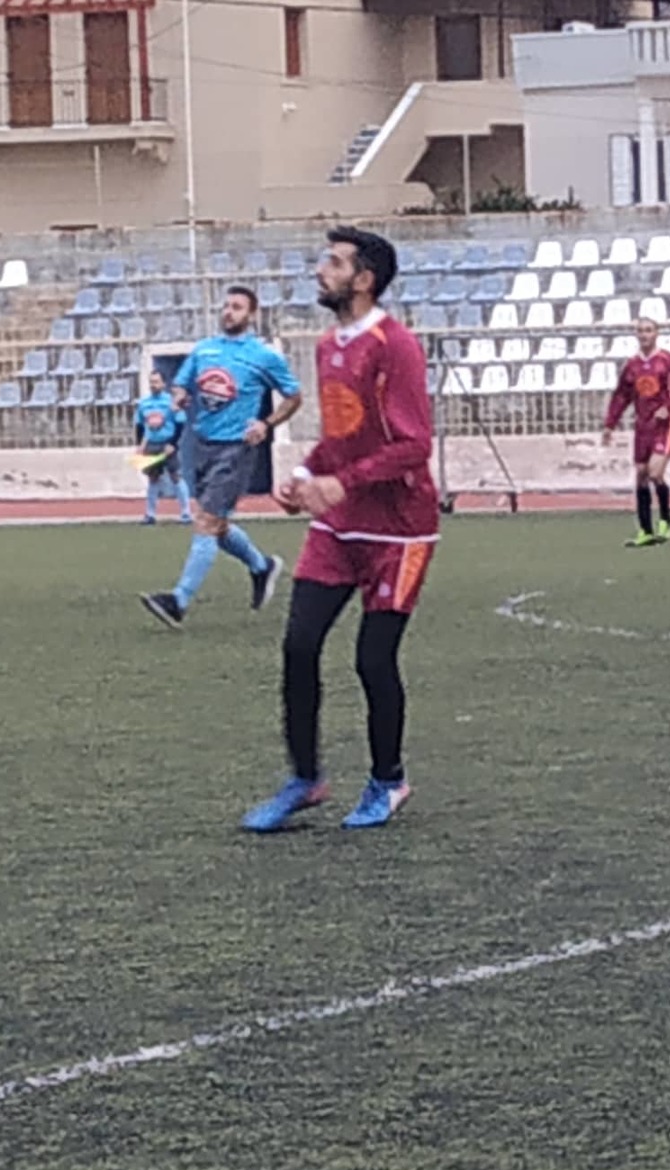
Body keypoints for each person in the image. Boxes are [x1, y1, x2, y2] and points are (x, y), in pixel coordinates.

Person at [241, 226, 439, 833]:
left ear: (364, 279)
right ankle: (306, 778)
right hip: (339, 526)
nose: (320, 270)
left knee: (372, 658)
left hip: (399, 531)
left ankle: (388, 779)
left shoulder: (395, 345)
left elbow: (414, 445)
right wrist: (304, 475)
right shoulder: (329, 345)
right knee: (299, 646)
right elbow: (340, 437)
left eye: (333, 262)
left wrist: (342, 484)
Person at [139, 286, 302, 629]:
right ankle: (262, 567)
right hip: (203, 445)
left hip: (235, 449)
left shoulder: (263, 355)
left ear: (252, 314)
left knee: (206, 522)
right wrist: (179, 396)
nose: (229, 312)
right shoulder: (204, 349)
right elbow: (181, 385)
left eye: (237, 307)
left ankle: (178, 600)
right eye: (226, 306)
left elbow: (293, 397)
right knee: (218, 524)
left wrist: (266, 423)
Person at [603, 317, 670, 548]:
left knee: (655, 472)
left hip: (665, 424)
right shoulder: (632, 365)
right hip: (643, 426)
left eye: (648, 330)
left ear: (656, 333)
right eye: (640, 331)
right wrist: (610, 424)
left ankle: (665, 520)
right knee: (641, 474)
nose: (644, 334)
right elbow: (621, 396)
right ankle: (645, 530)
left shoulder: (667, 360)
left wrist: (669, 407)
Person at [133, 369, 192, 525]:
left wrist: (173, 443)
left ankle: (186, 513)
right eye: (151, 382)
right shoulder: (144, 403)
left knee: (175, 476)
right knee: (153, 478)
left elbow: (180, 423)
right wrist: (139, 445)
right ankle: (150, 514)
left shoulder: (171, 402)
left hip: (167, 444)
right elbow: (139, 426)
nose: (153, 385)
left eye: (156, 382)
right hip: (151, 445)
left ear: (163, 384)